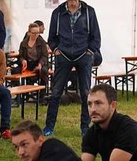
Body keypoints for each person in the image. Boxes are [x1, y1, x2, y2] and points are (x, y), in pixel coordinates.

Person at [43, 0, 101, 137]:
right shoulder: (57, 13)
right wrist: (56, 49)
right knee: (56, 92)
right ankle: (49, 127)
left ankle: (85, 128)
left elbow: (96, 36)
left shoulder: (89, 11)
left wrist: (90, 51)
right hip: (63, 56)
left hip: (84, 56)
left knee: (86, 93)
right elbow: (51, 37)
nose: (74, 2)